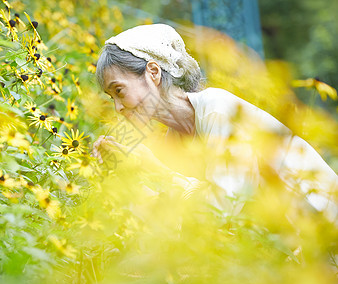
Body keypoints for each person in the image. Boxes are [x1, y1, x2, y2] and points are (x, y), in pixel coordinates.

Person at [92, 23, 338, 222]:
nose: (118, 108)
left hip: (323, 231)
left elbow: (223, 210)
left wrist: (152, 167)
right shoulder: (174, 140)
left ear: (153, 72)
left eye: (119, 91)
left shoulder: (216, 109)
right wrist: (126, 173)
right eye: (111, 97)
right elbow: (186, 219)